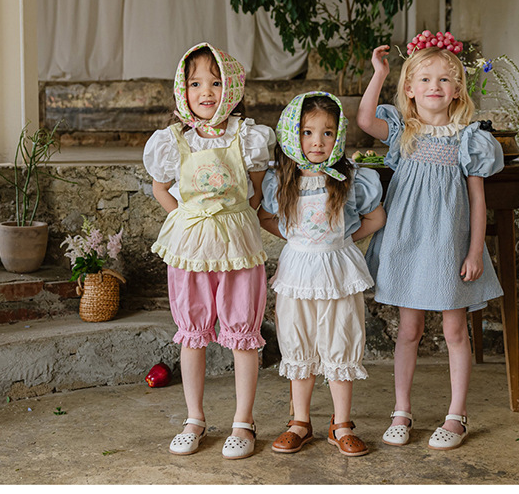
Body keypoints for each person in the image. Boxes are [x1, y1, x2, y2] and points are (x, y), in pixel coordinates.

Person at [357, 37, 504, 450]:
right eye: (424, 79)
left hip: (449, 246)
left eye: (444, 79)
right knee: (409, 330)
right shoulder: (403, 131)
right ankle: (401, 410)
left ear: (457, 89)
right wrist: (379, 74)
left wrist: (474, 251)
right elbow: (365, 120)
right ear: (409, 88)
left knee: (455, 330)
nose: (434, 86)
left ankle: (456, 415)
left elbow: (478, 199)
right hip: (408, 243)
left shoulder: (468, 138)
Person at [142, 42, 274, 460]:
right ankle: (194, 418)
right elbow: (160, 188)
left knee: (242, 333)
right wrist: (186, 217)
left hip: (237, 245)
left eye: (215, 83)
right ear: (183, 90)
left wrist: (234, 217)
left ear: (231, 87)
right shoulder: (173, 140)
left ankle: (243, 421)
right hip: (191, 246)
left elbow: (256, 190)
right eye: (195, 83)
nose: (206, 92)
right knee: (192, 333)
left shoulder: (248, 137)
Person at [258, 92, 386, 457]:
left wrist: (341, 241)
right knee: (298, 340)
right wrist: (298, 240)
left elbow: (376, 218)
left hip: (338, 271)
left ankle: (341, 423)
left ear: (338, 135)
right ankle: (300, 421)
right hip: (297, 272)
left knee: (340, 338)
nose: (318, 141)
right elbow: (266, 217)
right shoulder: (281, 180)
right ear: (292, 134)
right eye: (307, 132)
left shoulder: (351, 178)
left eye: (327, 133)